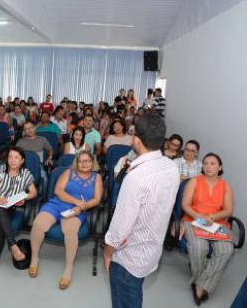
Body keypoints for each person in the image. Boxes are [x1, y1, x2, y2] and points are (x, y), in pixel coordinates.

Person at [103, 114, 179, 308]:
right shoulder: (172, 168)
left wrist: (108, 251)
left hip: (129, 258)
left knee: (126, 302)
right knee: (134, 296)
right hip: (151, 251)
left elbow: (120, 229)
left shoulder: (136, 177)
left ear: (136, 139)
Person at [29, 151, 103, 289]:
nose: (83, 163)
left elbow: (97, 199)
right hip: (57, 204)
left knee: (70, 230)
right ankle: (34, 258)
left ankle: (68, 268)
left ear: (92, 162)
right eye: (80, 161)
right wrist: (76, 202)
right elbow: (58, 191)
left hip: (78, 210)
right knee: (39, 224)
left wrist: (81, 207)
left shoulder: (97, 177)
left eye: (87, 161)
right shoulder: (68, 172)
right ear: (77, 162)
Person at [181, 153, 234, 305]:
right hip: (193, 220)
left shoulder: (226, 186)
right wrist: (199, 217)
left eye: (213, 163)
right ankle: (201, 284)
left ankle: (200, 283)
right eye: (205, 163)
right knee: (199, 247)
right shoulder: (194, 182)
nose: (208, 166)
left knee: (226, 250)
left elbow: (228, 210)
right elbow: (185, 205)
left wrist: (211, 217)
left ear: (220, 167)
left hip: (218, 223)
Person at [0, 147, 37, 273]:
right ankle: (13, 246)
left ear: (22, 160)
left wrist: (25, 198)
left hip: (8, 206)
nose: (12, 160)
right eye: (10, 157)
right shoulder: (0, 170)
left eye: (16, 157)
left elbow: (33, 192)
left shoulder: (26, 174)